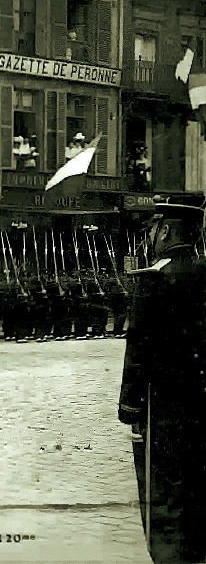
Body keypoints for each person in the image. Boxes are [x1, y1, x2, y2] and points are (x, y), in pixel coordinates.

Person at [118, 200, 206, 564]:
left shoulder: (152, 280)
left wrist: (130, 406)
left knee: (165, 490)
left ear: (166, 232)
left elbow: (138, 348)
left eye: (154, 229)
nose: (151, 236)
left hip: (165, 406)